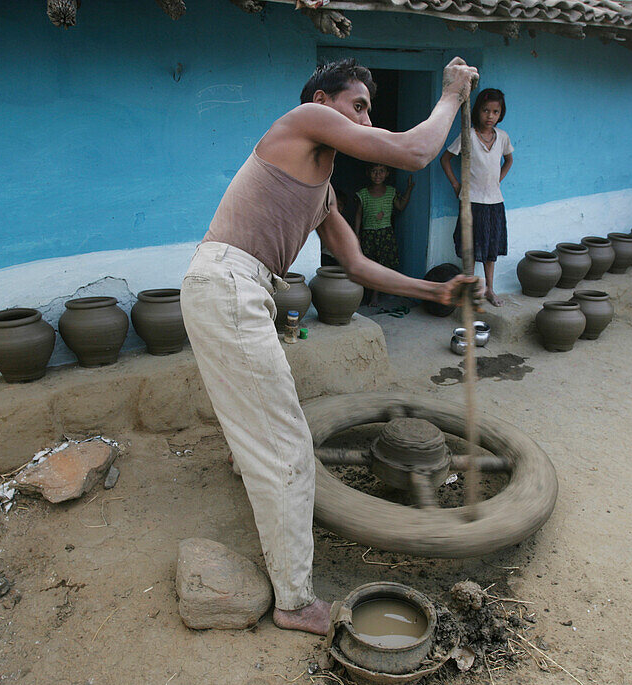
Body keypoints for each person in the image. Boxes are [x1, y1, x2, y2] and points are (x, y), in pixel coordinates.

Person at [180, 58, 480, 636]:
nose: (366, 117)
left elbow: (360, 264)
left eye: (370, 109)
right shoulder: (303, 119)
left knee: (267, 428)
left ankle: (256, 480)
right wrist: (450, 95)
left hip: (236, 290)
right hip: (228, 282)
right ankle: (294, 601)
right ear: (323, 99)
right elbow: (416, 152)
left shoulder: (321, 191)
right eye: (359, 106)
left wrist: (434, 289)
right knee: (289, 446)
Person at [440, 88, 513, 307]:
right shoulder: (468, 135)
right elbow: (445, 159)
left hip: (494, 202)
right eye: (485, 111)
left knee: (491, 251)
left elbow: (509, 160)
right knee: (469, 248)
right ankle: (471, 290)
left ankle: (490, 289)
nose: (490, 116)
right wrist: (456, 184)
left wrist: (497, 179)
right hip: (471, 202)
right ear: (477, 111)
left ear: (501, 114)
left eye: (495, 112)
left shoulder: (502, 138)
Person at [354, 163, 414, 303]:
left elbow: (400, 206)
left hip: (385, 234)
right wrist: (356, 234)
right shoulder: (363, 193)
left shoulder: (391, 192)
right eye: (374, 171)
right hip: (368, 234)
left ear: (387, 173)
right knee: (368, 264)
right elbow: (358, 214)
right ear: (368, 173)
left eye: (381, 171)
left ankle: (375, 294)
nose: (378, 174)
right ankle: (364, 293)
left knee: (382, 265)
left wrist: (409, 189)